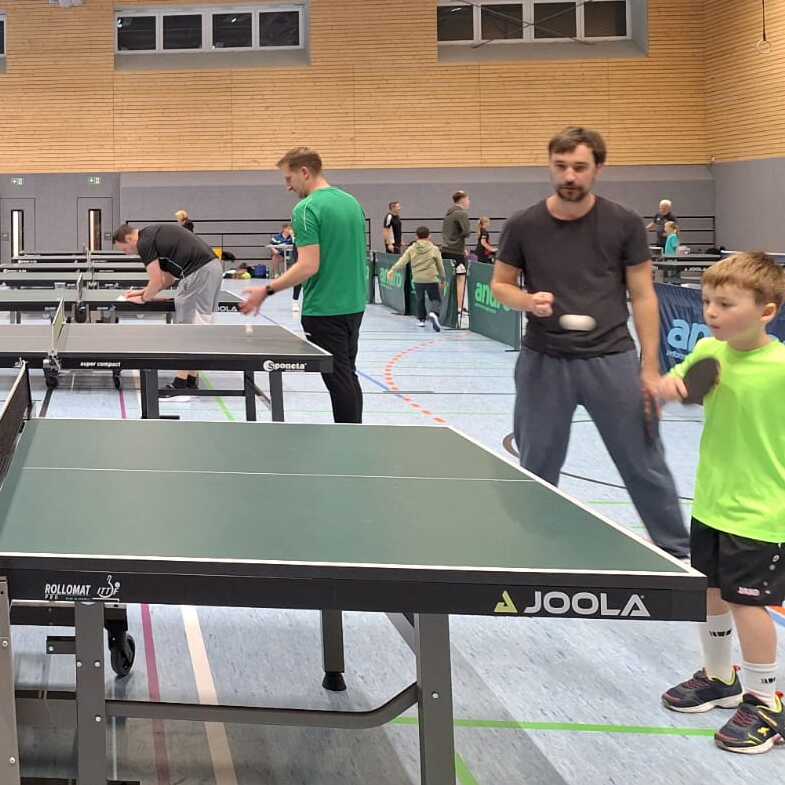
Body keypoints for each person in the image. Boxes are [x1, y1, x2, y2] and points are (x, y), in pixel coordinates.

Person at [490, 126, 689, 558]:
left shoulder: (625, 223)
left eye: (579, 167)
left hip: (613, 359)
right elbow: (501, 286)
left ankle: (678, 555)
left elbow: (643, 295)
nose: (569, 176)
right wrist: (528, 300)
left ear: (597, 169)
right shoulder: (524, 225)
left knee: (643, 462)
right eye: (560, 167)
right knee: (537, 466)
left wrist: (650, 367)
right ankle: (532, 553)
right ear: (550, 166)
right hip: (543, 361)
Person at [659, 251, 785, 754]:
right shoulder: (710, 352)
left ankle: (766, 701)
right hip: (711, 502)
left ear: (766, 312)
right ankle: (719, 676)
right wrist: (663, 389)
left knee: (748, 606)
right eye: (708, 300)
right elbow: (679, 385)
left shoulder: (780, 367)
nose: (710, 310)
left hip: (761, 511)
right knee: (710, 594)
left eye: (725, 303)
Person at [239, 147, 367, 423]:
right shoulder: (352, 202)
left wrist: (266, 290)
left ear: (305, 172)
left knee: (338, 379)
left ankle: (350, 441)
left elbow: (309, 265)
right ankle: (356, 435)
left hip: (325, 308)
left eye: (288, 178)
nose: (287, 186)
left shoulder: (306, 209)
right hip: (354, 305)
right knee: (348, 374)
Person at [113, 222, 223, 391]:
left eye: (124, 249)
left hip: (198, 273)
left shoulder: (144, 243)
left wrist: (143, 299)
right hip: (212, 269)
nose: (126, 254)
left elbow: (156, 281)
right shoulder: (153, 236)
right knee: (197, 326)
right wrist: (142, 292)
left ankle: (180, 385)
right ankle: (191, 380)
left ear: (129, 238)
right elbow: (168, 279)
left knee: (187, 329)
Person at [386, 226, 445, 331]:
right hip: (431, 278)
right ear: (429, 236)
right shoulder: (434, 249)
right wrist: (442, 278)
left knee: (420, 299)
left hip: (418, 278)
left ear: (416, 236)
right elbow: (440, 265)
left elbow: (402, 261)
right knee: (435, 299)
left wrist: (392, 270)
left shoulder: (412, 249)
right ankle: (433, 313)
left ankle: (421, 320)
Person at [442, 190, 471, 318]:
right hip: (456, 252)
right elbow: (466, 231)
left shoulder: (448, 214)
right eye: (468, 199)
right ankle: (460, 307)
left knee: (447, 279)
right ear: (463, 200)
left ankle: (444, 305)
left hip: (446, 250)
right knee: (461, 278)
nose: (469, 202)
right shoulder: (461, 213)